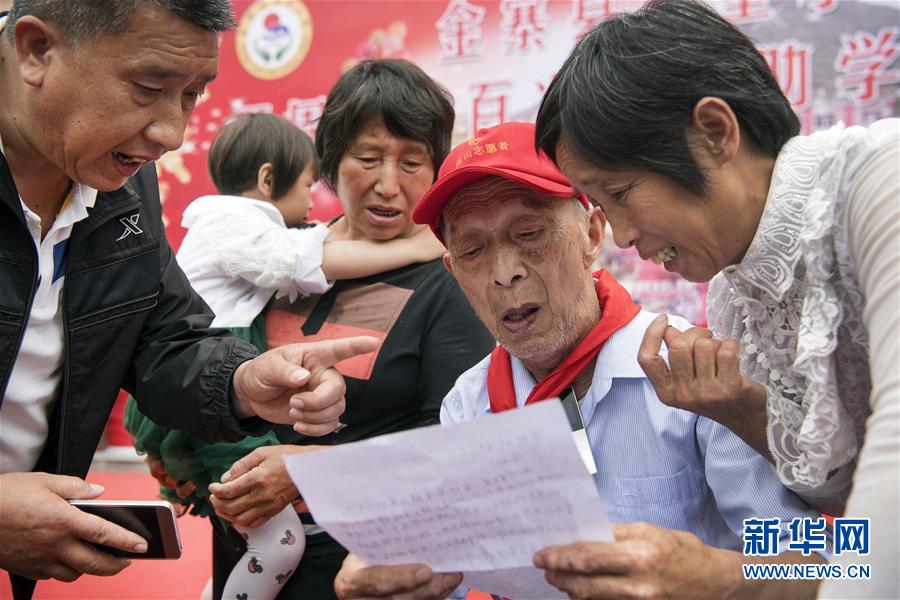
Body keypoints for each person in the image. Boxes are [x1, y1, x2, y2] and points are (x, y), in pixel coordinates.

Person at [333, 122, 829, 600]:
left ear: (591, 235)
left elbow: (829, 556)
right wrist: (400, 574)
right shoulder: (468, 403)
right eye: (473, 250)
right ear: (453, 271)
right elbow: (455, 574)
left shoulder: (693, 373)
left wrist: (712, 577)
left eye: (529, 233)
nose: (504, 273)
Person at [0, 2, 377, 597]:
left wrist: (244, 381)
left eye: (192, 95)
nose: (171, 135)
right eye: (149, 88)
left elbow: (163, 338)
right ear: (36, 50)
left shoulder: (121, 180)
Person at [534, 0, 898, 596]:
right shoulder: (736, 296)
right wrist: (748, 416)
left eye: (621, 192)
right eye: (472, 249)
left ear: (715, 132)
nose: (621, 235)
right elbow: (846, 520)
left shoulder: (880, 180)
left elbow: (869, 525)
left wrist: (723, 574)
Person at [125, 111, 446, 600]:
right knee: (275, 540)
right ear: (267, 179)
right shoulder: (239, 226)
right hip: (203, 383)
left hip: (212, 388)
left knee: (250, 528)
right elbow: (309, 259)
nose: (311, 202)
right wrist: (419, 247)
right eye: (307, 185)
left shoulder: (241, 226)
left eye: (410, 163)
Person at [206, 59, 496, 600]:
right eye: (368, 158)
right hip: (247, 554)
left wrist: (312, 470)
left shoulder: (448, 283)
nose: (388, 184)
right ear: (332, 161)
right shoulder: (283, 258)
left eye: (412, 163)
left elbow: (458, 448)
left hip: (368, 570)